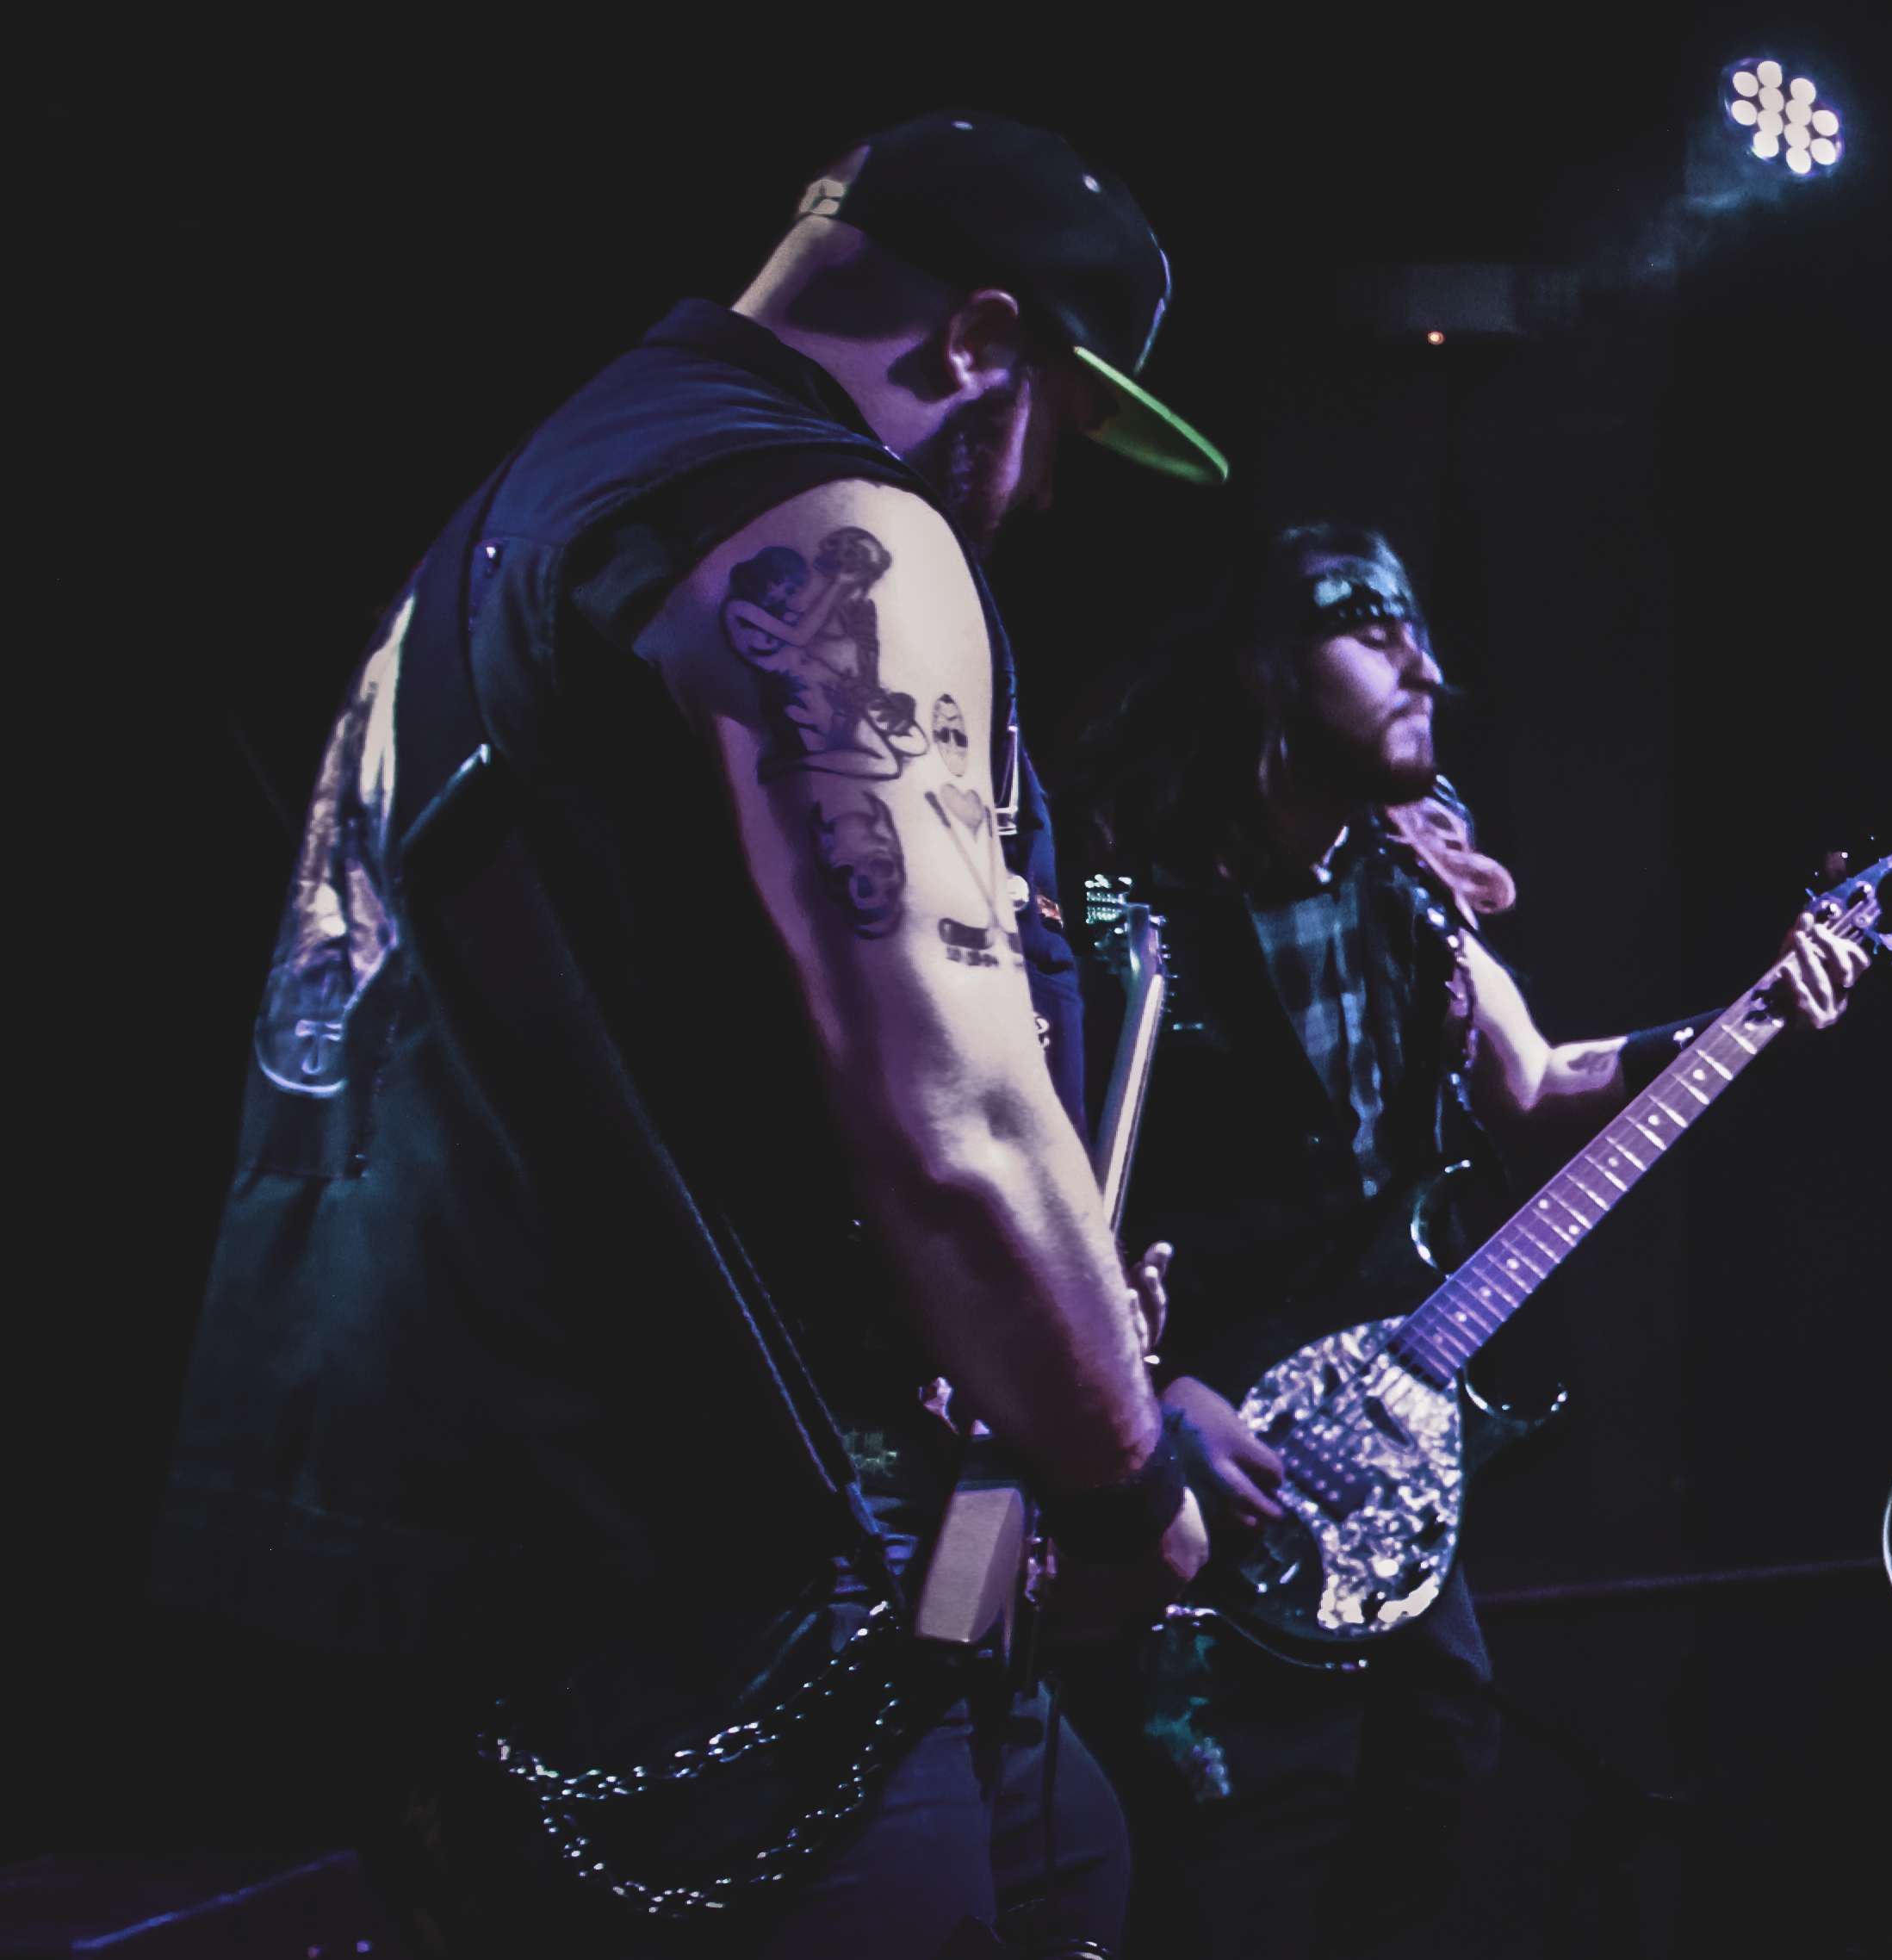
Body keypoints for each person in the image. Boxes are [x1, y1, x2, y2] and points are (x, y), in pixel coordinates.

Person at [161, 112, 1234, 1956]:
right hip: (702, 1586)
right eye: (1063, 419)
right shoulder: (829, 534)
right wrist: (1125, 1489)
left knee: (1074, 1854)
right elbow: (957, 1127)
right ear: (980, 346)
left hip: (520, 1555)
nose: (1047, 492)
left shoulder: (540, 505)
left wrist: (1062, 1373)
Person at [1064, 524, 1874, 1957]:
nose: (1423, 666)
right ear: (1262, 664)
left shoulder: (1405, 890)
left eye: (1420, 629)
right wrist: (1141, 1407)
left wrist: (1749, 1012)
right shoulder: (1132, 904)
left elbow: (1539, 1087)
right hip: (1187, 1494)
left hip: (1378, 1479)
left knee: (1421, 1825)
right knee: (1227, 1889)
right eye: (1370, 629)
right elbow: (1037, 1188)